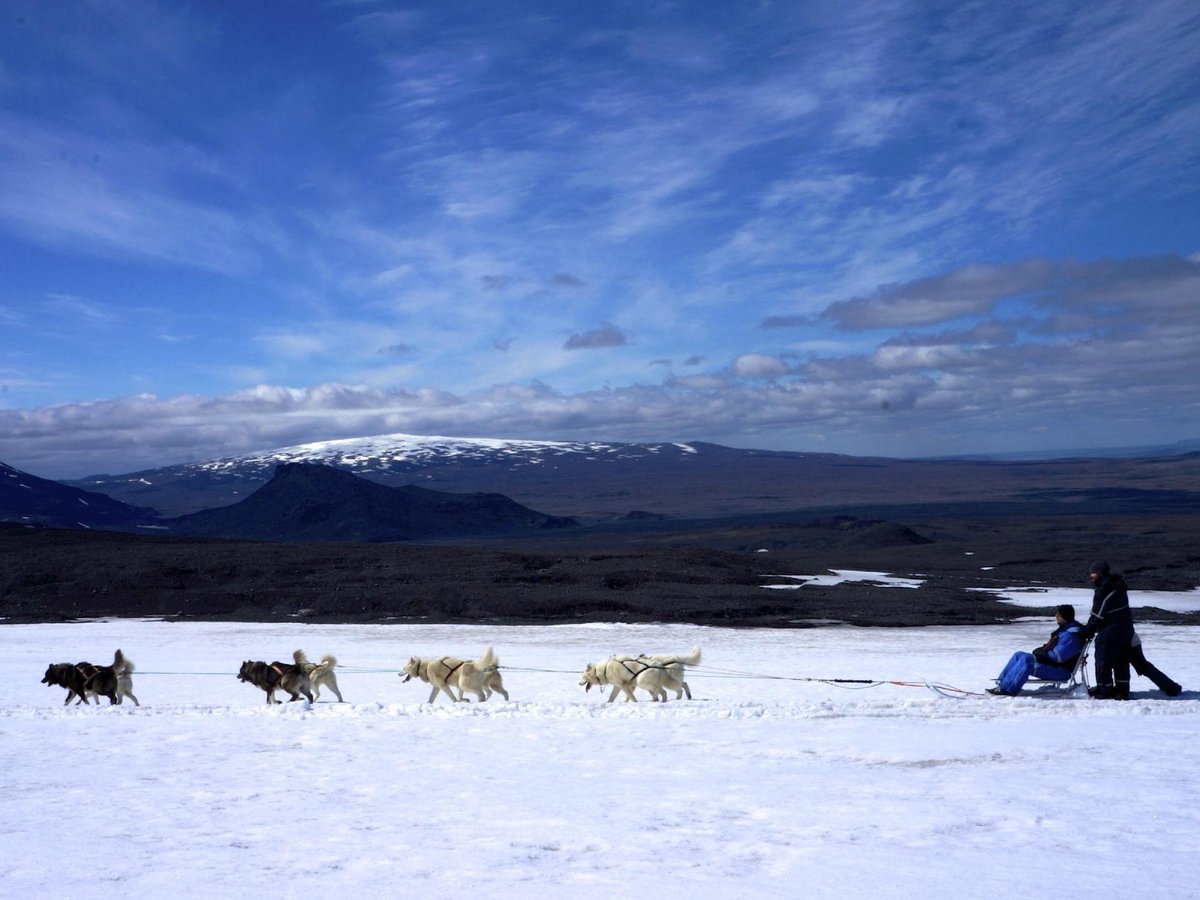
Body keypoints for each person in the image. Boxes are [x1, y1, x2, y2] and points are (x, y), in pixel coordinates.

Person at [987, 604, 1085, 696]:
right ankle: (1002, 684)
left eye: (1058, 615)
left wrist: (1042, 653)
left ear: (1065, 617)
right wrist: (1042, 651)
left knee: (1027, 661)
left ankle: (1007, 690)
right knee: (1019, 655)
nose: (1056, 616)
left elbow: (1058, 657)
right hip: (1054, 666)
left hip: (1061, 672)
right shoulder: (1065, 631)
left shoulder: (1071, 636)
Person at [1084, 560, 1134, 700]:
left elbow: (1098, 613)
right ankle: (1122, 690)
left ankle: (1104, 689)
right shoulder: (1117, 586)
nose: (1091, 576)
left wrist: (1088, 629)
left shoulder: (1105, 588)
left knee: (1103, 658)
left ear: (1099, 573)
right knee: (1121, 659)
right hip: (1126, 627)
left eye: (1092, 573)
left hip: (1112, 628)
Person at [1130, 629, 1182, 696]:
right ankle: (1171, 687)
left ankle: (1171, 687)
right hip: (1125, 641)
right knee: (1143, 667)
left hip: (1129, 642)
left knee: (1143, 667)